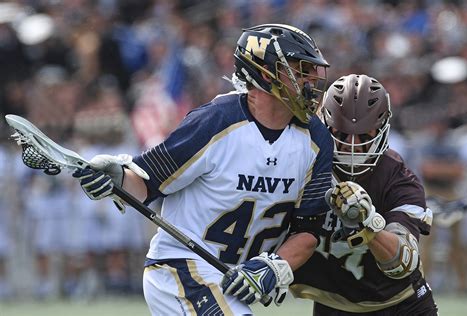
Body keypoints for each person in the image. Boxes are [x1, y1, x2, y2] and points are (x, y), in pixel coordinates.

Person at [73, 24, 333, 315]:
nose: (310, 80)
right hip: (180, 267)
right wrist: (116, 177)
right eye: (299, 70)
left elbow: (308, 231)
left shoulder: (316, 139)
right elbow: (146, 184)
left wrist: (273, 267)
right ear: (263, 73)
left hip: (234, 281)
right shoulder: (215, 122)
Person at [291, 74, 438, 315]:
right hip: (334, 303)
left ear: (381, 130)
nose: (352, 144)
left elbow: (403, 263)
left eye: (363, 135)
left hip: (401, 303)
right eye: (341, 133)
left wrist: (368, 222)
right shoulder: (304, 166)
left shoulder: (396, 177)